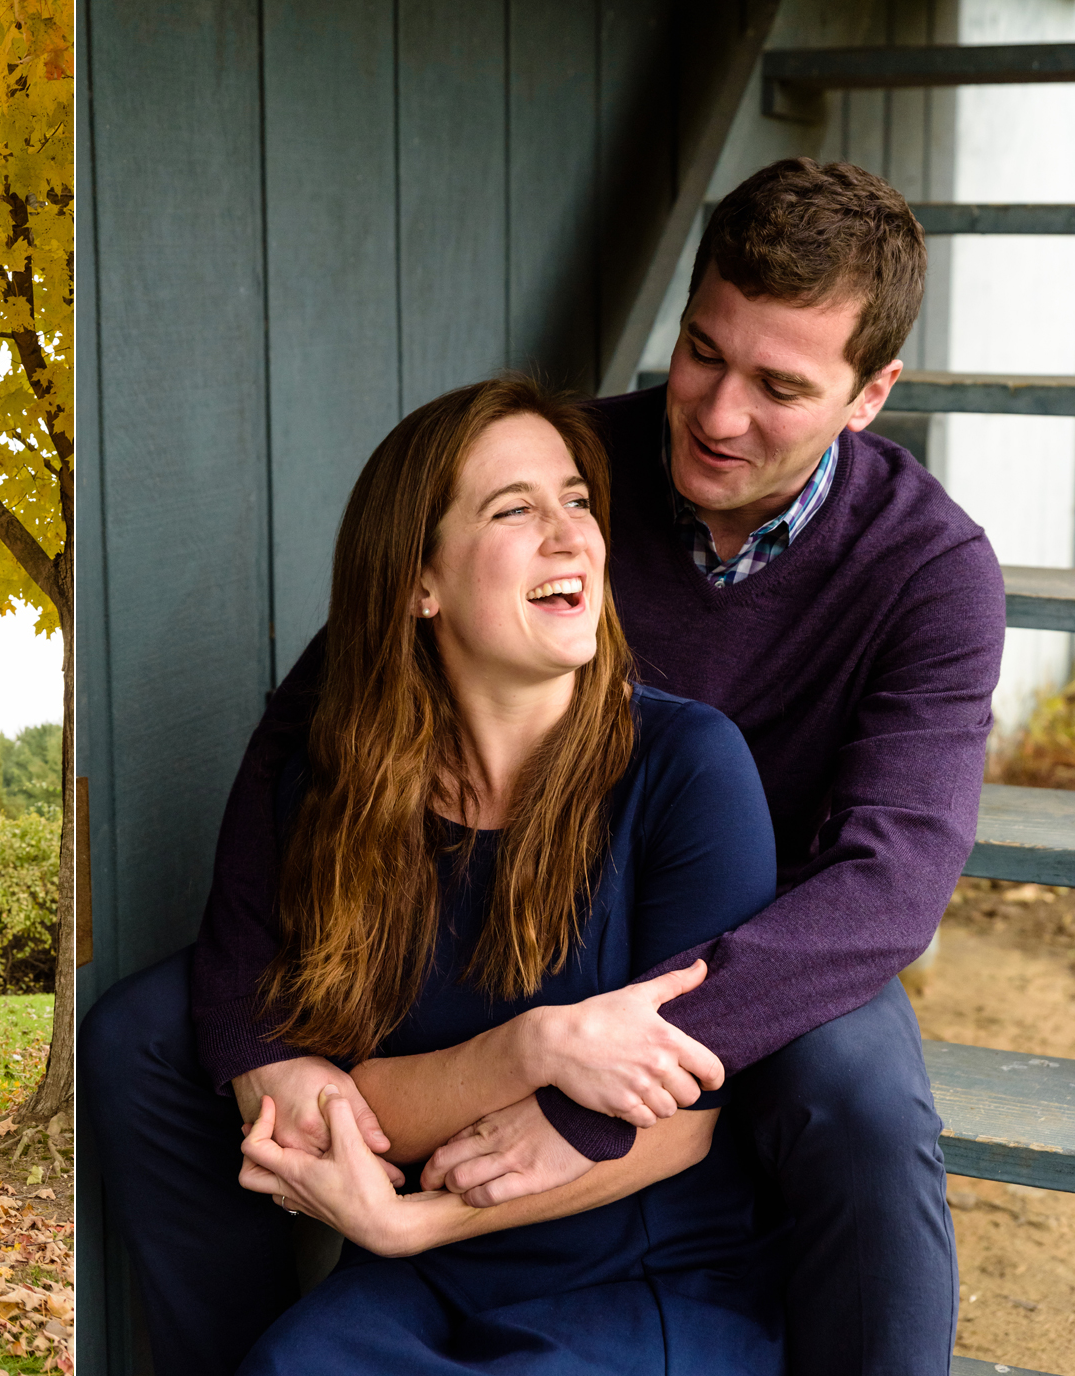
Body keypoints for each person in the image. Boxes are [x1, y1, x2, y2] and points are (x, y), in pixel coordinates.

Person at [82, 157, 1006, 1375]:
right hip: (524, 897)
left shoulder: (928, 568)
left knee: (859, 1095)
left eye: (779, 387)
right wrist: (268, 1050)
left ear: (867, 393)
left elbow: (887, 885)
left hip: (756, 952)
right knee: (158, 1030)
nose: (718, 415)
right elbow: (328, 701)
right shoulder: (574, 472)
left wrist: (597, 1084)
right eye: (701, 354)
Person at [226, 378, 782, 1370]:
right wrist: (535, 1049)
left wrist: (419, 1222)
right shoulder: (342, 791)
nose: (569, 535)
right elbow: (356, 1104)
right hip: (415, 1284)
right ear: (417, 583)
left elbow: (681, 1122)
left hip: (643, 1268)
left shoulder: (689, 768)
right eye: (512, 509)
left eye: (574, 500)